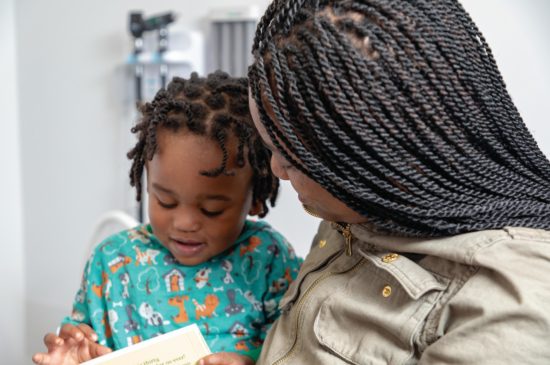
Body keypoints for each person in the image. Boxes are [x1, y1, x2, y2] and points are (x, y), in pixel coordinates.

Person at [240, 0, 550, 364]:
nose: (276, 169)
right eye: (270, 147)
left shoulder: (510, 311)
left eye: (292, 158)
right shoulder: (363, 207)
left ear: (380, 153)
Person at [31, 71, 302, 365]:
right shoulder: (111, 262)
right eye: (165, 201)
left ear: (255, 198)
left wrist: (251, 362)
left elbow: (297, 347)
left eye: (212, 209)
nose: (184, 223)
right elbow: (83, 341)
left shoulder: (268, 258)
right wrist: (73, 355)